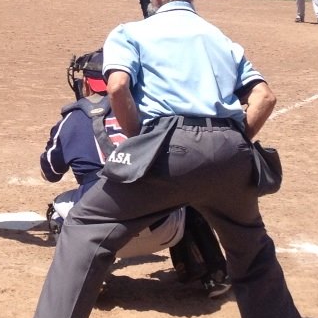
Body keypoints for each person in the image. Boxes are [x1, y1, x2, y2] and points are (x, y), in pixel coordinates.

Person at [11, 0, 311, 318]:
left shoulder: (131, 32)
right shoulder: (221, 38)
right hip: (231, 149)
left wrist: (140, 142)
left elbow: (116, 87)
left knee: (86, 225)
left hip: (168, 147)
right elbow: (265, 98)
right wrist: (236, 143)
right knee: (251, 248)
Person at [41, 48, 231, 298]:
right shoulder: (152, 112)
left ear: (86, 83)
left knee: (58, 210)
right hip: (163, 231)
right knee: (186, 188)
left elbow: (50, 172)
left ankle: (88, 279)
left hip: (99, 235)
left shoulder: (71, 120)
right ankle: (212, 275)